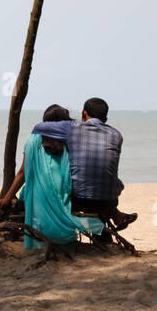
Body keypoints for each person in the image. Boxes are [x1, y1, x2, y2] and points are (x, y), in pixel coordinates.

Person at [0, 104, 104, 249]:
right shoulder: (70, 140)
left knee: (28, 192)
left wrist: (6, 199)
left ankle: (40, 237)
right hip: (62, 188)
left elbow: (23, 172)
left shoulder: (33, 140)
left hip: (38, 190)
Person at [28, 97, 137, 230]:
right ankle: (117, 216)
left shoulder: (71, 128)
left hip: (79, 201)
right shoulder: (116, 135)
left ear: (83, 113)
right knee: (115, 182)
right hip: (109, 201)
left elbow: (38, 127)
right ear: (106, 118)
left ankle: (115, 218)